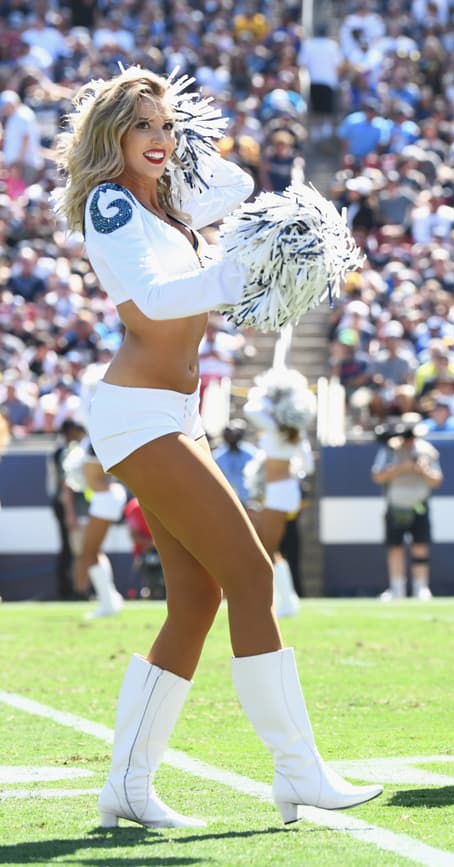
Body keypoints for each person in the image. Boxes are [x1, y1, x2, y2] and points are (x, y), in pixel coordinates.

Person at [56, 67, 379, 828]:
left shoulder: (158, 202)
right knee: (248, 571)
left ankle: (127, 787)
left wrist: (185, 146)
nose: (161, 139)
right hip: (139, 413)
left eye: (168, 125)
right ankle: (298, 769)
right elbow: (150, 303)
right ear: (112, 135)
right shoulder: (109, 203)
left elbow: (232, 187)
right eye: (144, 126)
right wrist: (232, 272)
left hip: (175, 410)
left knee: (197, 596)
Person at [243, 368, 315, 619]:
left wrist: (267, 397)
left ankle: (286, 601)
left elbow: (250, 410)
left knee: (268, 548)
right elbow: (308, 466)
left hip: (278, 492)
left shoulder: (275, 428)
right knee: (270, 548)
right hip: (286, 490)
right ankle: (283, 600)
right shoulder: (296, 434)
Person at [371, 415, 442, 601]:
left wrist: (422, 471)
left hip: (419, 504)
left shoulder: (427, 450)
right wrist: (401, 468)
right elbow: (377, 476)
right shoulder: (389, 450)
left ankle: (421, 587)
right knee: (395, 548)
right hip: (395, 505)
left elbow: (436, 480)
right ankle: (397, 588)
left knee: (420, 546)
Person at [67, 439, 127, 618]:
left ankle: (108, 602)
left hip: (105, 498)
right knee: (93, 552)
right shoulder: (93, 439)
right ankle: (109, 599)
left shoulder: (99, 439)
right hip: (103, 497)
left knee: (89, 553)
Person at [48, 418, 87, 599]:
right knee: (72, 548)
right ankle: (71, 590)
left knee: (73, 548)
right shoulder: (65, 452)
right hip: (67, 505)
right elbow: (65, 485)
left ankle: (73, 589)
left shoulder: (63, 450)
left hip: (66, 504)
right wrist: (70, 512)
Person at [212, 419, 259, 506]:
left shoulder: (251, 454)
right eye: (229, 434)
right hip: (226, 500)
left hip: (249, 500)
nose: (232, 437)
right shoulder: (218, 456)